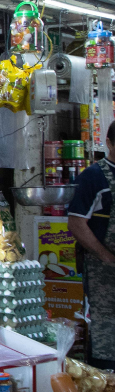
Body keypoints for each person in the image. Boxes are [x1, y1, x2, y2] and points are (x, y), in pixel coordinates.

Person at [65, 121, 115, 369]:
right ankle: (104, 388)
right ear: (108, 143)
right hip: (104, 273)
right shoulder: (95, 177)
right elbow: (76, 223)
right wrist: (105, 256)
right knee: (106, 333)